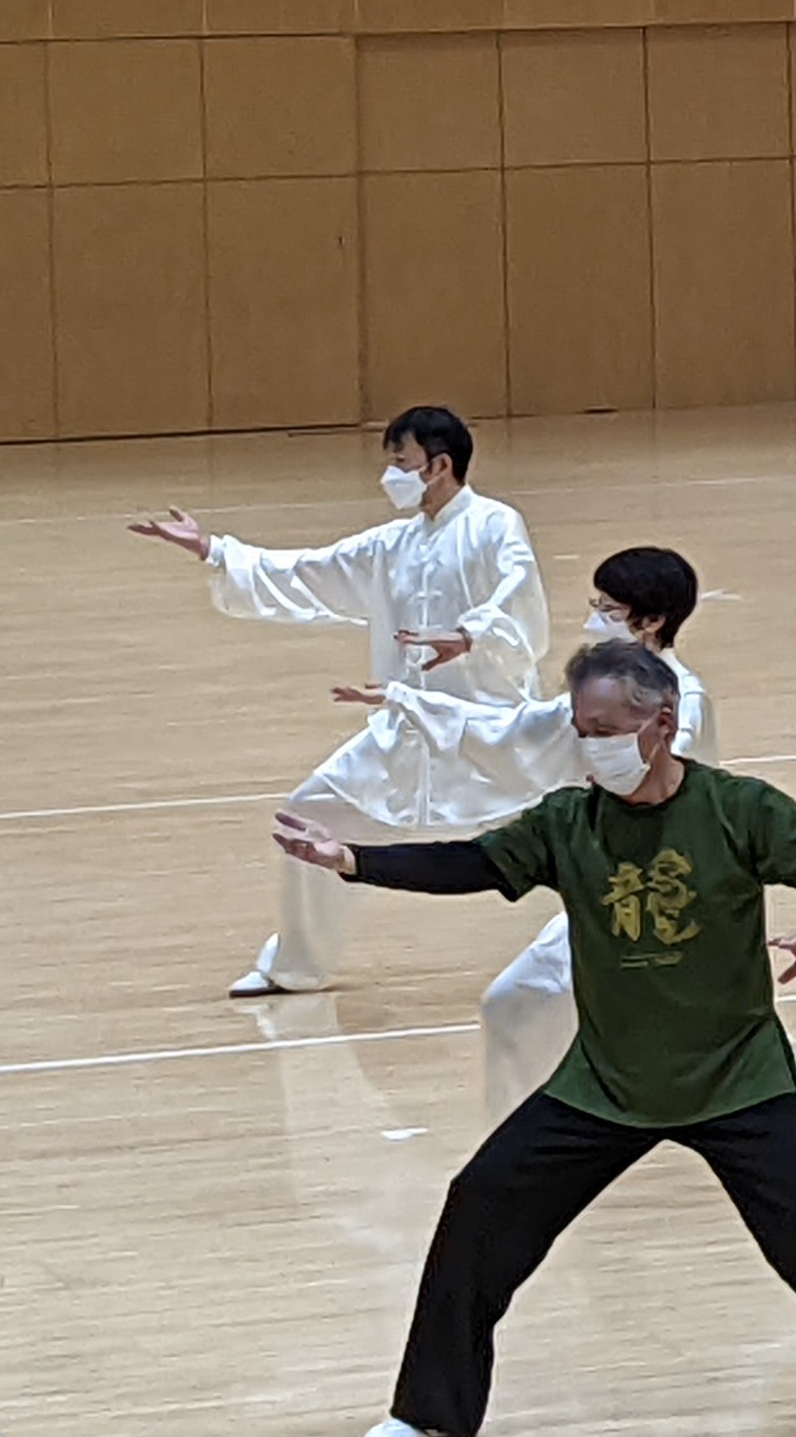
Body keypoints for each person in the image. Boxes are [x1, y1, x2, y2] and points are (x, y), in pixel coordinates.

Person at [278, 640, 796, 1437]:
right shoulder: (568, 822)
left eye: (606, 729)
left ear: (662, 724)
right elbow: (473, 863)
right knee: (479, 1207)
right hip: (606, 1082)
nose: (589, 744)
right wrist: (354, 861)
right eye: (581, 728)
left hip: (736, 1074)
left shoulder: (737, 808)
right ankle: (435, 1409)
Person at [351, 546, 796, 1192]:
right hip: (609, 882)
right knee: (516, 1005)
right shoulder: (606, 690)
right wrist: (412, 701)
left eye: (607, 608)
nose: (594, 618)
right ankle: (525, 1159)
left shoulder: (677, 701)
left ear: (651, 620)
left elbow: (660, 784)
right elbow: (519, 729)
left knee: (724, 1033)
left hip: (677, 890)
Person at [130, 406, 549, 997]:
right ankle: (295, 965)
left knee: (574, 828)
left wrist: (469, 635)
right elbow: (312, 571)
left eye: (401, 462)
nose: (391, 475)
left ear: (439, 466)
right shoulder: (393, 543)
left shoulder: (495, 525)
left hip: (492, 732)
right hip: (407, 729)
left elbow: (518, 594)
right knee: (310, 816)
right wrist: (216, 552)